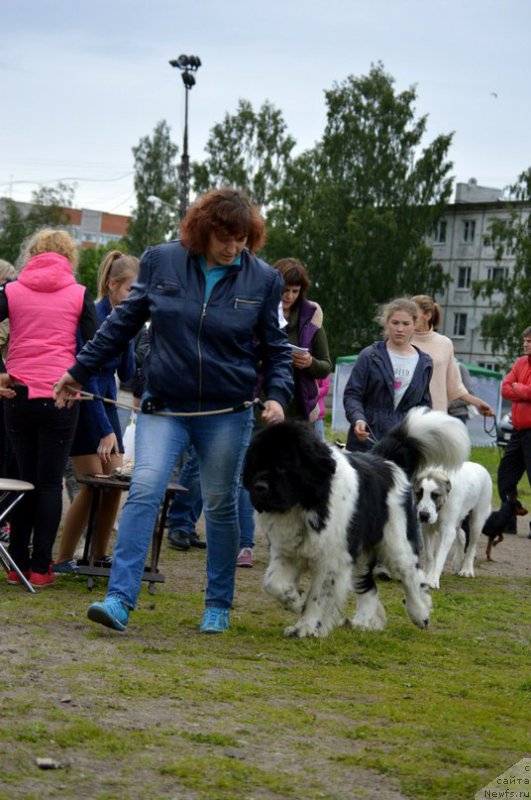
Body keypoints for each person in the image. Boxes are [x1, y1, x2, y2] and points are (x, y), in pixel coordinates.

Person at [54, 187, 293, 633]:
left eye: (243, 238)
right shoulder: (161, 261)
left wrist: (278, 395)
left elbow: (276, 350)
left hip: (226, 411)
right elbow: (121, 325)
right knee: (144, 489)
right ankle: (119, 599)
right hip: (164, 405)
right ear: (203, 230)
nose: (234, 247)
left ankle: (217, 604)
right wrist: (79, 372)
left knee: (220, 505)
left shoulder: (263, 280)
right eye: (225, 237)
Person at [0, 229, 98, 587]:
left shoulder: (10, 291)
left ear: (32, 255)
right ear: (69, 258)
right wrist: (78, 377)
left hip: (20, 394)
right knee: (49, 483)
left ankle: (17, 564)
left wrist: (1, 374)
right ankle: (42, 567)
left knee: (23, 480)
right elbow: (98, 343)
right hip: (61, 395)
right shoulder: (79, 294)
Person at [54, 251, 139, 574]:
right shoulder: (94, 316)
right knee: (93, 485)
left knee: (114, 484)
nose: (138, 296)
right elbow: (91, 376)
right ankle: (63, 559)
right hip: (87, 407)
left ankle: (98, 554)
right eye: (133, 290)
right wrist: (105, 429)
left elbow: (128, 373)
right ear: (113, 284)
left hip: (106, 408)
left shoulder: (122, 320)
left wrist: (128, 333)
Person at [344, 297, 433, 452]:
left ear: (414, 325)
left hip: (402, 443)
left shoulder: (425, 363)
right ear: (387, 323)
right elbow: (353, 394)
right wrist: (358, 419)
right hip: (367, 440)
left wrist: (424, 432)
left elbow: (423, 405)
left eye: (406, 324)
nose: (400, 329)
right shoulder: (369, 355)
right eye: (395, 322)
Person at [410, 294, 494, 416]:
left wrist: (478, 403)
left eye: (414, 314)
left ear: (427, 315)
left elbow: (454, 386)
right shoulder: (401, 341)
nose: (409, 317)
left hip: (435, 416)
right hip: (405, 417)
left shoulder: (445, 344)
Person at [274, 258, 332, 422]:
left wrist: (309, 363)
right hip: (264, 408)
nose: (289, 296)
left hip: (300, 411)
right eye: (285, 290)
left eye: (295, 291)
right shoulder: (259, 312)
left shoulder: (312, 315)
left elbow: (326, 366)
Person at [496, 327, 531, 537]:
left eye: (530, 341)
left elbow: (515, 389)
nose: (526, 344)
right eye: (525, 340)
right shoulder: (520, 363)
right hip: (518, 431)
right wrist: (522, 390)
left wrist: (518, 389)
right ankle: (508, 521)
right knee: (505, 476)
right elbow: (505, 388)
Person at [314, 375, 331, 441]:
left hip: (317, 411)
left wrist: (311, 393)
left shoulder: (322, 369)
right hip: (300, 411)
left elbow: (325, 388)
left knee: (319, 439)